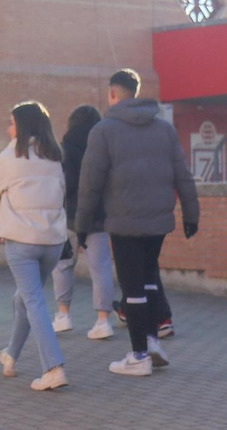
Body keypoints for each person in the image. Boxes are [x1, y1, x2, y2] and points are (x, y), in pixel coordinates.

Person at [73, 69, 200, 377]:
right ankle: (153, 342)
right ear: (138, 91)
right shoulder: (164, 129)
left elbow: (90, 182)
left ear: (113, 94)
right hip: (158, 221)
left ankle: (138, 355)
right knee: (148, 278)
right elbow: (183, 174)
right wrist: (191, 214)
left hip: (124, 219)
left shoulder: (103, 131)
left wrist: (82, 224)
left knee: (132, 287)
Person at [0, 102, 70, 390]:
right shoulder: (55, 156)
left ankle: (53, 367)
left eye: (11, 122)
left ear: (21, 125)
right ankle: (11, 356)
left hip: (21, 240)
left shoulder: (11, 155)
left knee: (33, 301)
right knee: (24, 299)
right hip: (53, 241)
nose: (8, 128)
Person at [52, 106, 117, 340]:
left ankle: (63, 315)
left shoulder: (64, 150)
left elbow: (62, 184)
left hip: (68, 216)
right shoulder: (103, 147)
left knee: (63, 265)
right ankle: (103, 320)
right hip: (98, 217)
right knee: (100, 269)